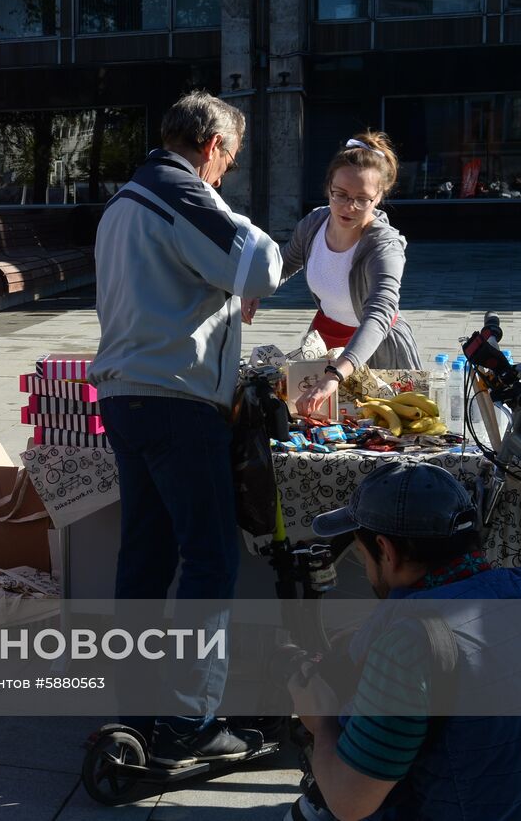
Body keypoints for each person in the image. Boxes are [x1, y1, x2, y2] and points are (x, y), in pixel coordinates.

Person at [90, 89, 283, 765]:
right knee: (209, 557)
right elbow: (262, 262)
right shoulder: (180, 190)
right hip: (176, 402)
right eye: (228, 160)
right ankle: (190, 722)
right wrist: (238, 230)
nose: (226, 173)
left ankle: (138, 711)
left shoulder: (126, 199)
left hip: (127, 398)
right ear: (209, 147)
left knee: (144, 559)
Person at [286, 460, 521, 821]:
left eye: (364, 556)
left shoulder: (409, 648)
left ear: (387, 550)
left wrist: (321, 723)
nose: (365, 569)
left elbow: (350, 801)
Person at [243, 132, 421, 417]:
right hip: (326, 340)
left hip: (376, 348)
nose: (348, 206)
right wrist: (255, 287)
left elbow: (379, 315)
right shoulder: (315, 223)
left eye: (362, 199)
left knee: (382, 436)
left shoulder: (384, 245)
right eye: (340, 194)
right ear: (328, 187)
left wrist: (336, 374)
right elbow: (286, 263)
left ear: (379, 197)